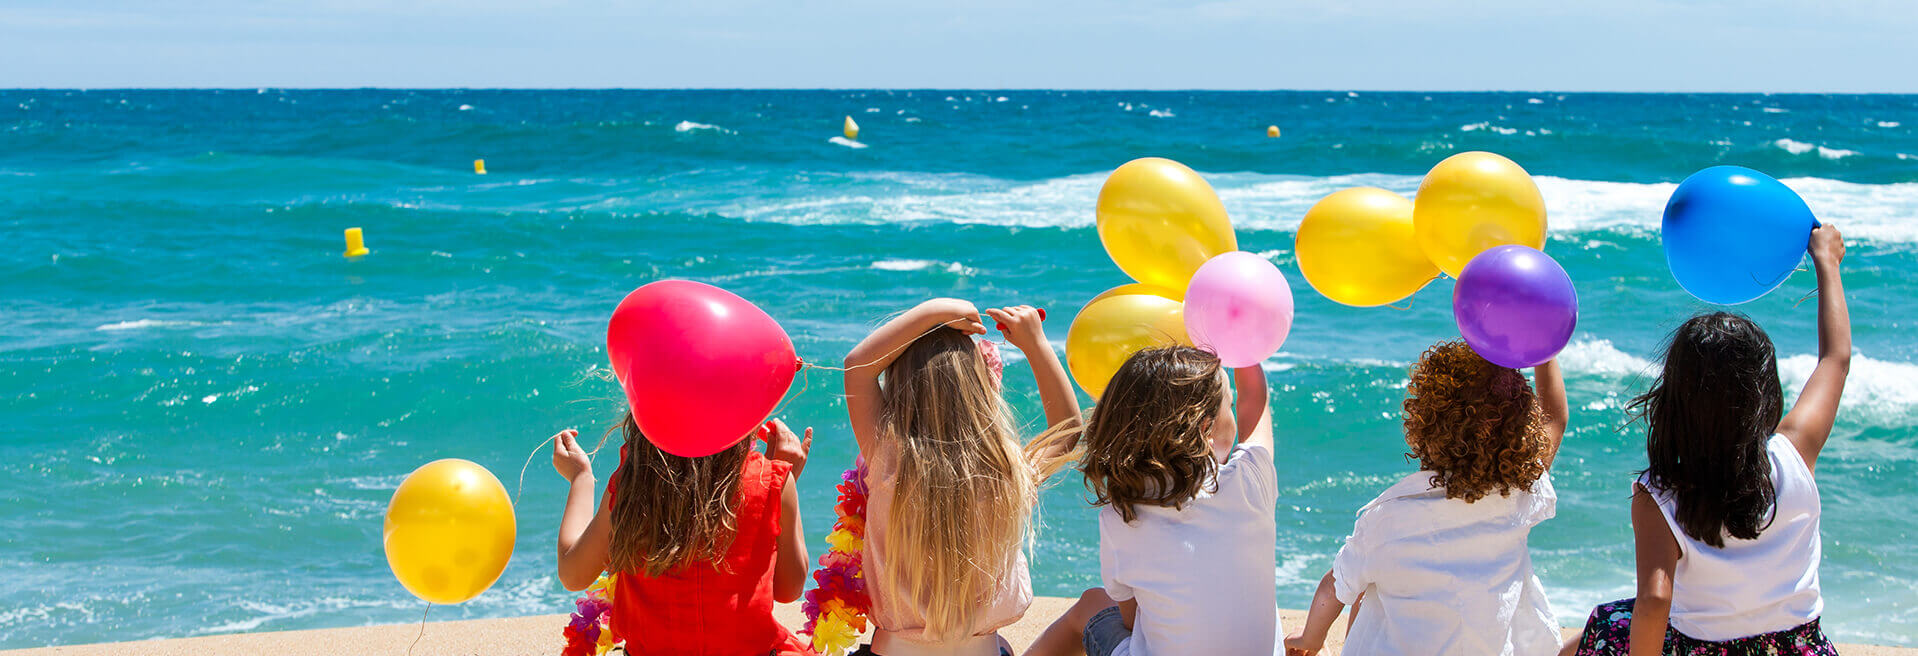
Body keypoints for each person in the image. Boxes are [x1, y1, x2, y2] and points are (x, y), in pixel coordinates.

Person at [1564, 225, 1850, 656]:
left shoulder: (1659, 495)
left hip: (1704, 649)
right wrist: (1828, 263)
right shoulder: (1795, 451)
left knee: (1600, 629)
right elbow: (1835, 359)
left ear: (1675, 400)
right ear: (1765, 396)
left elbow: (1655, 600)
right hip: (1798, 648)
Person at [1286, 343, 1570, 656]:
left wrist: (1309, 640)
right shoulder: (1517, 495)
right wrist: (1545, 346)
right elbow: (1555, 421)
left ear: (1424, 425)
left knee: (1367, 582)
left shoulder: (1388, 517)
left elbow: (1336, 586)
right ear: (1520, 430)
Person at [843, 299, 1082, 656]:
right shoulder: (1008, 469)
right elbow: (1067, 433)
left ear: (899, 386)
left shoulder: (889, 459)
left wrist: (935, 311)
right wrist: (1035, 343)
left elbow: (857, 367)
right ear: (982, 386)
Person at [1023, 345, 1279, 656]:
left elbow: (1131, 619)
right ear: (1205, 429)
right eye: (1230, 404)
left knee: (1092, 603)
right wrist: (1242, 340)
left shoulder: (1121, 517)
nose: (1234, 409)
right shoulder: (1251, 481)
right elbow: (1255, 400)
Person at [551, 414, 816, 655]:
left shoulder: (631, 484)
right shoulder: (770, 480)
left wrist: (580, 478)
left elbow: (573, 573)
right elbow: (788, 589)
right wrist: (780, 488)